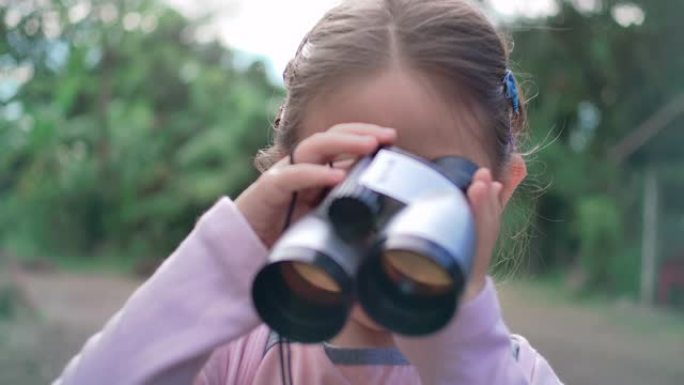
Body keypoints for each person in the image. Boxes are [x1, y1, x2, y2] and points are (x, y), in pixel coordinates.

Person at [54, 0, 563, 384]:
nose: (384, 225)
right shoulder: (232, 356)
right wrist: (232, 251)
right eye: (348, 178)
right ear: (286, 179)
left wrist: (463, 352)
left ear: (498, 192)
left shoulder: (516, 373)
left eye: (433, 190)